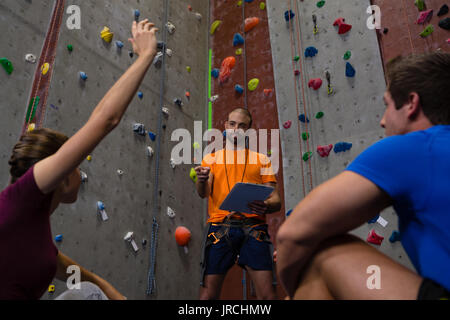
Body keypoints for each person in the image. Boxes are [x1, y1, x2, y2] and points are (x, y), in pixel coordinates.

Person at [0, 19, 159, 300]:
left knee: (88, 292)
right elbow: (105, 120)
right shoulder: (18, 202)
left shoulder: (34, 219)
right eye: (74, 166)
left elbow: (60, 265)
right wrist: (146, 56)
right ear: (60, 177)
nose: (81, 174)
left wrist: (109, 290)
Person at [276, 53, 450, 300]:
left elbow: (292, 235)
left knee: (325, 253)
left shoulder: (414, 147)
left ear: (411, 104)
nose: (382, 121)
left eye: (387, 105)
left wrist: (295, 293)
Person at [195, 108, 282, 300]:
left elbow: (276, 200)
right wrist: (201, 180)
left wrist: (267, 206)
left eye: (242, 126)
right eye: (232, 124)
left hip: (254, 229)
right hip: (219, 228)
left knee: (268, 296)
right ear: (225, 126)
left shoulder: (261, 159)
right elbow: (203, 193)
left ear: (249, 130)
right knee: (207, 296)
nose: (236, 129)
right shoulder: (210, 158)